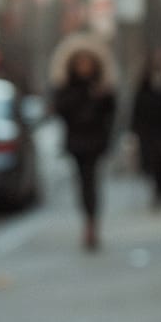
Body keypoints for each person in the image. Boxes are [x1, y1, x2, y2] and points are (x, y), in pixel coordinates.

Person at [52, 42, 116, 250]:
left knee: (91, 183)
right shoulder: (68, 87)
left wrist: (102, 96)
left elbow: (110, 112)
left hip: (95, 142)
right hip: (77, 143)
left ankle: (91, 223)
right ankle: (88, 220)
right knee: (82, 183)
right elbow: (60, 110)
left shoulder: (100, 86)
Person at [131, 53, 161, 209]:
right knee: (154, 163)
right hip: (149, 133)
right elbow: (137, 110)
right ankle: (159, 192)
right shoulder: (143, 87)